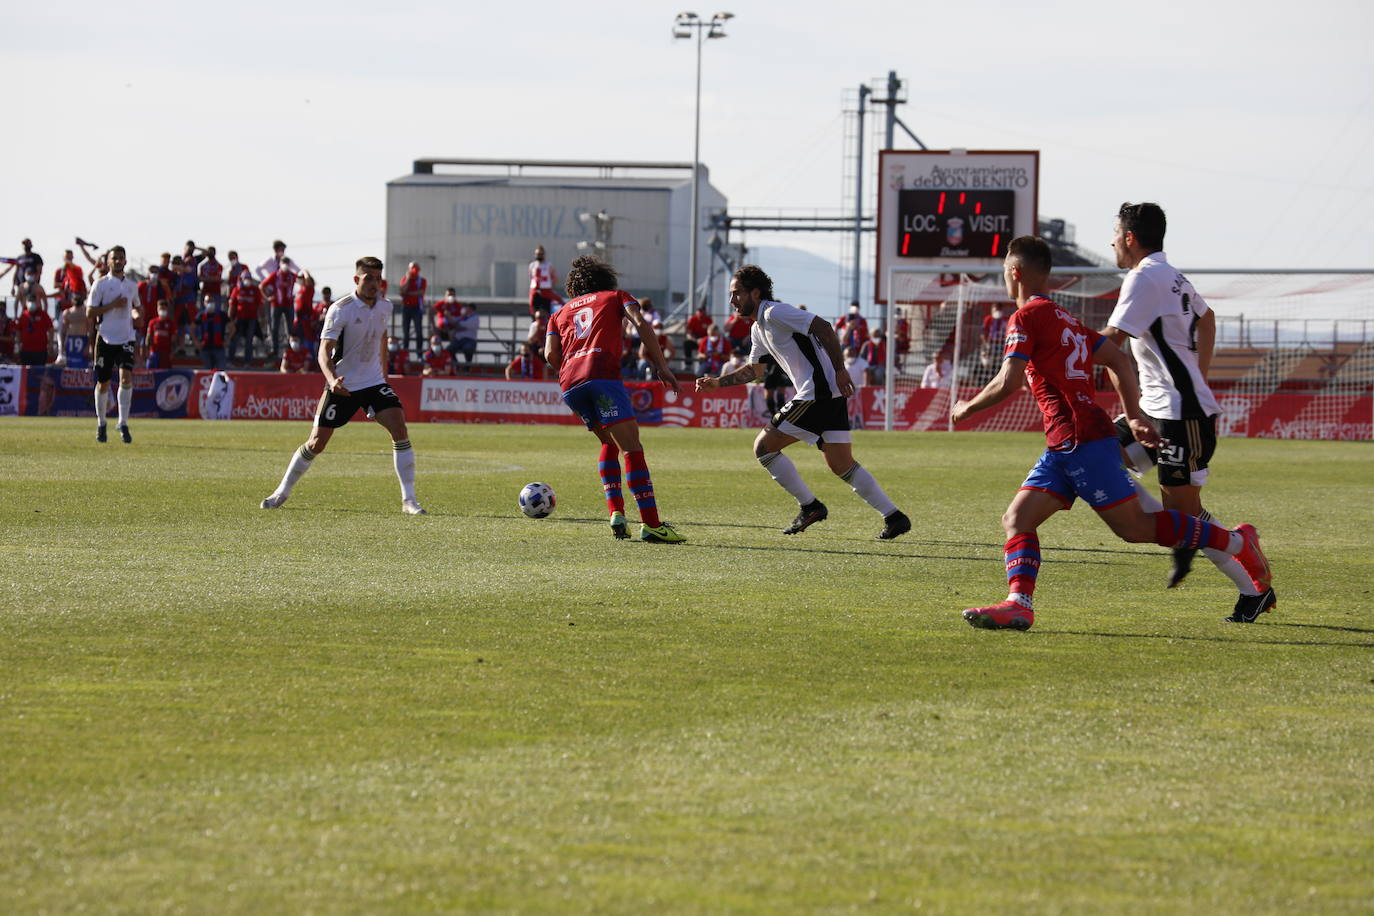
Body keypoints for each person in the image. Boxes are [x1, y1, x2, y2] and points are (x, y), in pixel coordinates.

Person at [950, 235, 1273, 630]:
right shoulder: (1064, 318)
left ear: (1014, 273)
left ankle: (1239, 542)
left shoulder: (1025, 318)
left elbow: (1010, 379)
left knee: (1137, 529)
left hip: (1082, 441)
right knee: (1017, 518)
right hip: (1064, 444)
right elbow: (1118, 358)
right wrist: (1133, 416)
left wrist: (966, 407)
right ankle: (1019, 603)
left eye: (1004, 270)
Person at [1102, 201, 1258, 599]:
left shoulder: (1144, 278)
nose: (1112, 241)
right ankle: (1185, 542)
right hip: (1159, 408)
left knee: (1184, 518)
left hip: (1181, 415)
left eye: (1116, 234)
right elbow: (1206, 317)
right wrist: (1198, 374)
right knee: (1094, 454)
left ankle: (1249, 572)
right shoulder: (1171, 276)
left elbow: (1111, 344)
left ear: (1130, 238)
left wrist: (1058, 349)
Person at [696, 265, 910, 540]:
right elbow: (755, 371)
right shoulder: (758, 328)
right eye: (731, 294)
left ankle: (810, 506)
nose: (732, 300)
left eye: (737, 293)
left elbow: (824, 326)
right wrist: (719, 382)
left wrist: (840, 369)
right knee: (842, 465)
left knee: (764, 447)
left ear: (756, 293)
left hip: (816, 393)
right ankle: (894, 516)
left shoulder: (775, 312)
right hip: (827, 395)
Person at [260, 256, 424, 515]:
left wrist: (384, 374)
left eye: (377, 279)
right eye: (368, 278)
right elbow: (324, 352)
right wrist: (331, 380)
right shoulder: (341, 309)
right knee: (316, 443)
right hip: (343, 384)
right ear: (356, 279)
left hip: (373, 383)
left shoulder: (385, 307)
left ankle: (409, 500)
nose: (373, 284)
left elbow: (382, 337)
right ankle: (282, 491)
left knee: (399, 428)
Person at [545, 255, 684, 543]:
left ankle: (616, 513)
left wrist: (572, 371)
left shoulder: (559, 313)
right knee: (632, 449)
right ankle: (652, 525)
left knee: (609, 442)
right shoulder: (616, 296)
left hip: (571, 383)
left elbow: (549, 354)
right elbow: (641, 324)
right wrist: (662, 366)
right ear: (604, 279)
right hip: (602, 376)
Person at [87, 245, 140, 443]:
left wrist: (137, 314)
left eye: (121, 258)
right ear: (108, 261)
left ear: (125, 261)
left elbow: (136, 307)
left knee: (126, 379)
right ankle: (101, 423)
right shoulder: (100, 284)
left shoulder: (132, 286)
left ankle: (123, 422)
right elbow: (90, 312)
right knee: (103, 383)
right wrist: (112, 306)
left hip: (126, 337)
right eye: (114, 258)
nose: (118, 261)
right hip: (106, 338)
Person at [260, 263, 297, 356]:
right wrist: (267, 297)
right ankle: (274, 349)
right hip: (276, 304)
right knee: (274, 327)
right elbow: (261, 286)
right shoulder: (275, 275)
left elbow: (302, 278)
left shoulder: (291, 275)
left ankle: (290, 348)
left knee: (290, 328)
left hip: (288, 304)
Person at [228, 273, 263, 366]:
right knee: (234, 339)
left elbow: (260, 305)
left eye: (249, 278)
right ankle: (230, 360)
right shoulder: (237, 290)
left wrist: (261, 318)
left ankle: (247, 362)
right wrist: (230, 319)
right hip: (239, 319)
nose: (247, 280)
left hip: (251, 319)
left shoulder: (255, 290)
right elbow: (232, 305)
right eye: (246, 278)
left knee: (249, 340)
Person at [398, 261, 427, 354]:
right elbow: (402, 292)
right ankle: (405, 352)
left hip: (417, 308)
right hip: (406, 307)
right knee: (406, 332)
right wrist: (408, 279)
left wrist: (408, 293)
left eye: (416, 267)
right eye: (412, 267)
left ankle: (419, 353)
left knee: (419, 331)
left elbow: (420, 292)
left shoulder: (422, 280)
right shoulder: (404, 279)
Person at [16, 298, 54, 365]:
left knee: (39, 372)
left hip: (41, 350)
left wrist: (50, 343)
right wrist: (18, 344)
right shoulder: (23, 315)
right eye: (30, 301)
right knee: (26, 371)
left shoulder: (43, 314)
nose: (32, 304)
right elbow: (18, 330)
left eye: (34, 301)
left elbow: (51, 329)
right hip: (26, 350)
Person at [527, 245, 562, 316]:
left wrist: (550, 286)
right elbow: (531, 277)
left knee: (547, 310)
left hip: (546, 291)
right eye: (537, 254)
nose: (539, 256)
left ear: (543, 255)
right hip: (535, 290)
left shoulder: (548, 265)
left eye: (540, 254)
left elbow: (555, 278)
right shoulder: (532, 265)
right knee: (533, 309)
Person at [57, 297, 92, 368]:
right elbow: (63, 331)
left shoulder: (86, 312)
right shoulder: (67, 312)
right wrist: (63, 346)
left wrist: (88, 346)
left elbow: (90, 331)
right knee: (70, 364)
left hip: (82, 340)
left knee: (82, 364)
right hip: (70, 341)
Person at [198, 294, 229, 370]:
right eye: (207, 301)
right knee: (207, 371)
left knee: (221, 371)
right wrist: (196, 341)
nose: (209, 303)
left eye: (211, 301)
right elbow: (192, 327)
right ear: (204, 303)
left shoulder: (222, 315)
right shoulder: (201, 315)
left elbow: (232, 328)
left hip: (219, 347)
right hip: (206, 347)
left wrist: (227, 340)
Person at [145, 301, 176, 369]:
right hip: (154, 352)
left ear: (167, 309)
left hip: (166, 353)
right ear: (157, 309)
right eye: (160, 309)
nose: (162, 311)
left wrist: (172, 352)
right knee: (151, 371)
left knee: (164, 373)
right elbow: (148, 337)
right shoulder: (152, 322)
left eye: (164, 309)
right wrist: (147, 350)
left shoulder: (171, 323)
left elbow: (173, 339)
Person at [449, 302, 479, 366]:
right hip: (459, 339)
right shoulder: (463, 317)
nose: (465, 309)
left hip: (469, 340)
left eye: (467, 308)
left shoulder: (475, 318)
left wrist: (456, 326)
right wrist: (448, 315)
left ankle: (467, 366)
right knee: (449, 349)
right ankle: (457, 364)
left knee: (468, 349)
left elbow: (463, 325)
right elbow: (453, 321)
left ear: (471, 309)